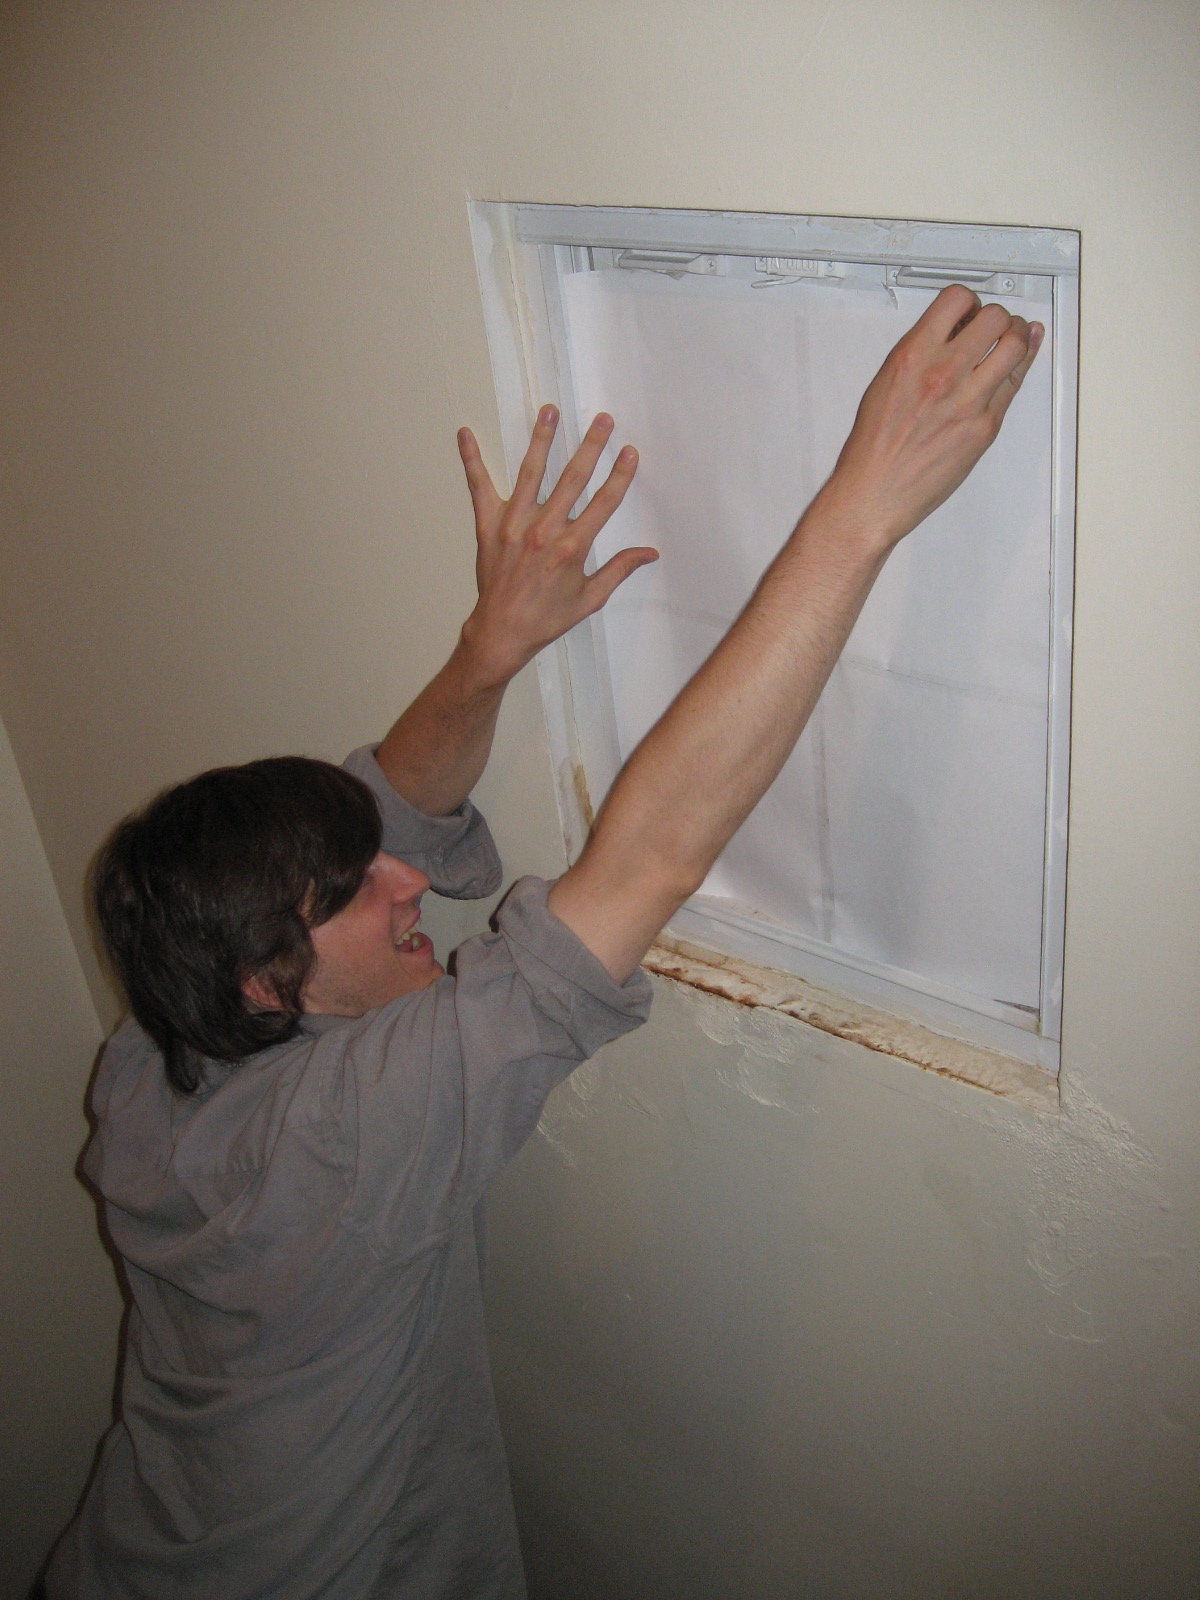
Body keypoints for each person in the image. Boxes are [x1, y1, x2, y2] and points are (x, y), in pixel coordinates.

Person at [45, 286, 1041, 1599]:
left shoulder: (151, 1052)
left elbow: (395, 796)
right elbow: (651, 856)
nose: (413, 876)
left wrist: (490, 646)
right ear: (264, 981)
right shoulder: (345, 1136)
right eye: (356, 891)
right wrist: (863, 507)